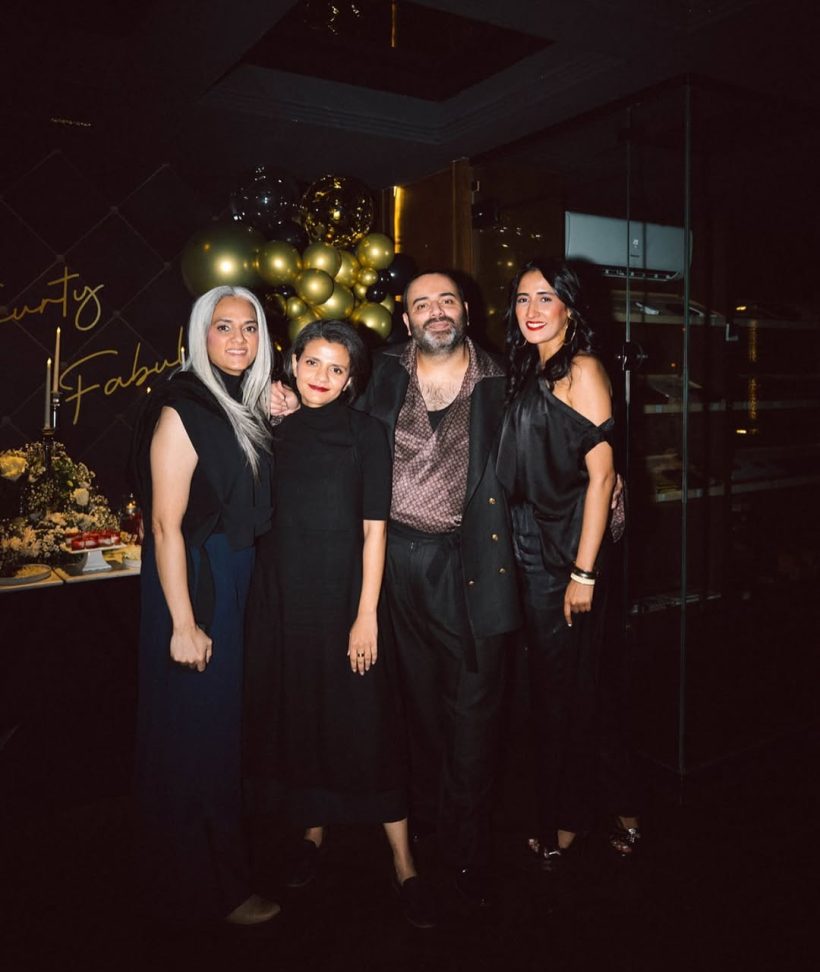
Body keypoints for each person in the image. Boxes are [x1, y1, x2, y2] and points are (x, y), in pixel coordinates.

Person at [244, 319, 435, 929]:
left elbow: (375, 531)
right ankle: (312, 833)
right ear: (292, 364)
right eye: (312, 363)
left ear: (352, 378)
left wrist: (366, 616)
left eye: (336, 368)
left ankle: (404, 861)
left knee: (370, 723)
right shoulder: (271, 431)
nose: (321, 377)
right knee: (303, 716)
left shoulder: (367, 434)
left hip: (348, 600)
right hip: (285, 602)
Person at [354, 272, 521, 908]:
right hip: (391, 560)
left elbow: (545, 449)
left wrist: (603, 482)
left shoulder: (505, 379)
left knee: (474, 710)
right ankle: (428, 821)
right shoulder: (378, 371)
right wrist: (288, 402)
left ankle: (467, 847)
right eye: (421, 304)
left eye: (446, 300)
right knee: (417, 706)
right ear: (406, 319)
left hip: (471, 561)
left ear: (466, 310)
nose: (436, 312)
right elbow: (334, 415)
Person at [132, 285, 279, 927]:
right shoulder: (182, 408)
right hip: (197, 582)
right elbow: (165, 526)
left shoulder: (238, 401)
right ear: (200, 333)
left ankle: (192, 878)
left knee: (212, 732)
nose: (238, 339)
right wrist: (184, 623)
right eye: (224, 327)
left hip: (232, 573)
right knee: (200, 737)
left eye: (249, 327)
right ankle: (213, 889)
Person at [497, 257, 640, 870]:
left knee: (568, 692)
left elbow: (603, 476)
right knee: (570, 686)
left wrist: (583, 573)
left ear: (570, 308)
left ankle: (573, 817)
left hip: (567, 550)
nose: (532, 310)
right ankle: (616, 806)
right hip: (529, 547)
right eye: (523, 299)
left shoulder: (582, 368)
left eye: (545, 298)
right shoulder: (528, 369)